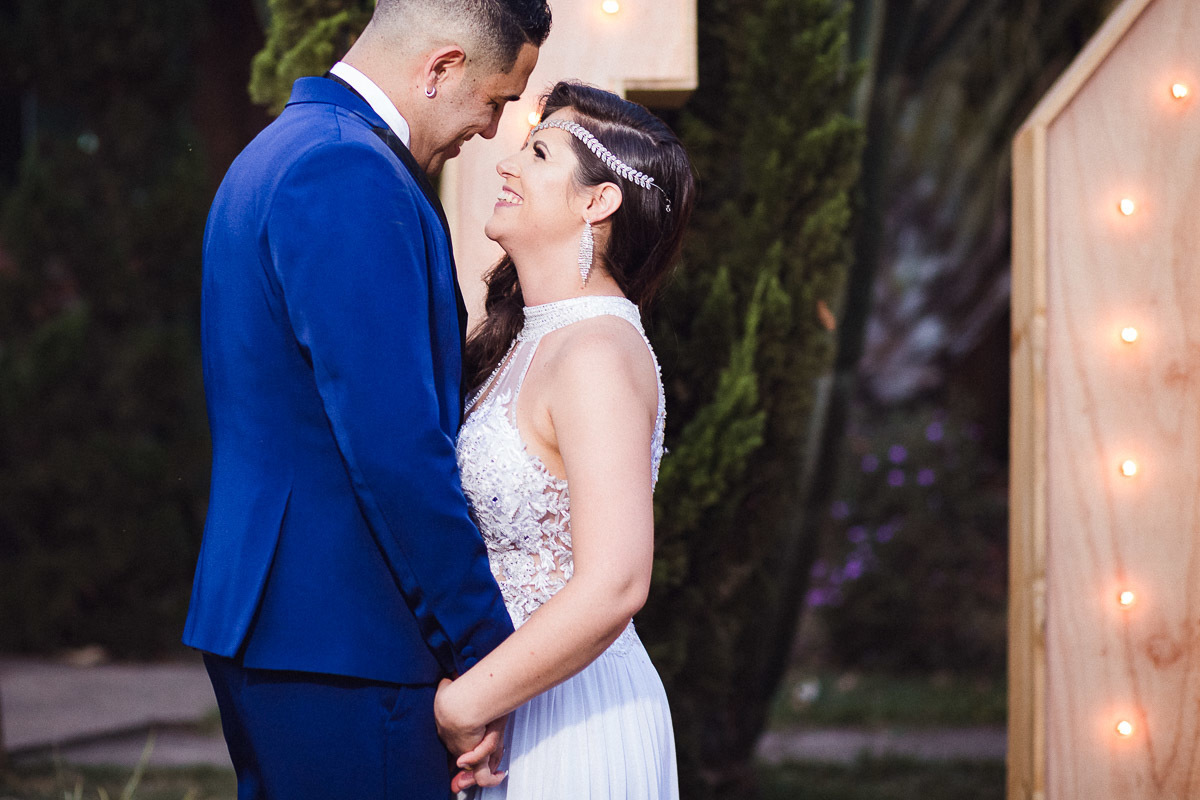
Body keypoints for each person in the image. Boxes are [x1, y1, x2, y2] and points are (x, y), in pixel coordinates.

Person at [181, 2, 550, 798]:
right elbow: (394, 448)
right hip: (349, 640)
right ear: (441, 68)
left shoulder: (283, 150)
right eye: (495, 100)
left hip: (287, 629)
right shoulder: (346, 172)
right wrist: (488, 653)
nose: (490, 131)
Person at [435, 81, 696, 798]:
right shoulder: (534, 335)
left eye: (539, 152)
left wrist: (465, 702)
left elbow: (616, 581)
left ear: (598, 201)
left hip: (574, 720)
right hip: (514, 700)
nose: (507, 165)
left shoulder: (597, 354)